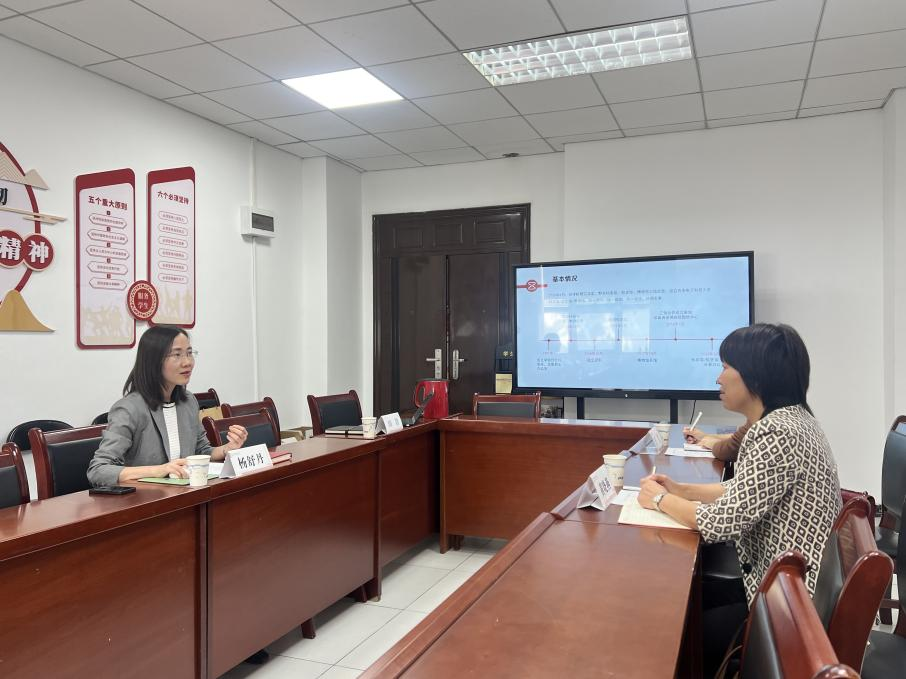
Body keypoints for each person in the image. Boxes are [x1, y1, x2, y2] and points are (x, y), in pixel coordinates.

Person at [638, 323, 841, 675]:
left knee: (672, 633)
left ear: (756, 376)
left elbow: (720, 524)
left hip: (785, 608)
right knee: (683, 599)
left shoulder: (777, 431)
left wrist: (658, 501)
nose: (718, 378)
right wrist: (679, 490)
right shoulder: (793, 420)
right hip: (782, 587)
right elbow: (742, 491)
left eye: (725, 367)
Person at [88, 326, 247, 486]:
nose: (187, 362)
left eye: (189, 353)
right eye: (177, 355)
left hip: (185, 492)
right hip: (148, 497)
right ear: (154, 360)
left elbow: (201, 451)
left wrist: (227, 449)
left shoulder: (188, 401)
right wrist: (157, 470)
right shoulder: (129, 409)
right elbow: (98, 470)